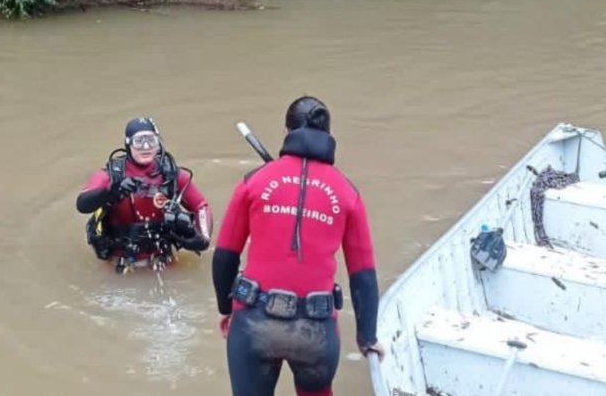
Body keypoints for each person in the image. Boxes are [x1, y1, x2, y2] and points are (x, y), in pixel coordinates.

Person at [211, 96, 384, 396]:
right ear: (329, 135)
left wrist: (226, 309)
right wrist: (367, 336)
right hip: (315, 330)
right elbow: (363, 274)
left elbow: (224, 256)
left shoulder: (255, 181)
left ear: (286, 131)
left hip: (254, 321)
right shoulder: (347, 192)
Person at [77, 117, 213, 273]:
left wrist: (203, 238)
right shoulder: (111, 176)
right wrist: (111, 192)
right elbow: (82, 204)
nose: (146, 147)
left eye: (151, 140)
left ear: (159, 143)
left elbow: (201, 206)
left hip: (163, 261)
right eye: (139, 141)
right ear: (128, 144)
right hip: (119, 264)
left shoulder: (171, 174)